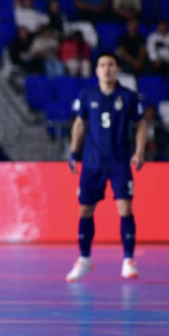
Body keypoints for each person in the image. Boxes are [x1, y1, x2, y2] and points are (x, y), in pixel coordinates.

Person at [66, 53, 147, 282]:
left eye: (111, 65)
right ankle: (84, 259)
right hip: (92, 163)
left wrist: (139, 152)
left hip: (120, 161)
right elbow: (80, 123)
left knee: (125, 207)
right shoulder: (86, 95)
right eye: (102, 65)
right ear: (96, 71)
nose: (107, 69)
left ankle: (129, 260)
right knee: (84, 210)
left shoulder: (128, 96)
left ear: (117, 69)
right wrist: (73, 153)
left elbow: (141, 124)